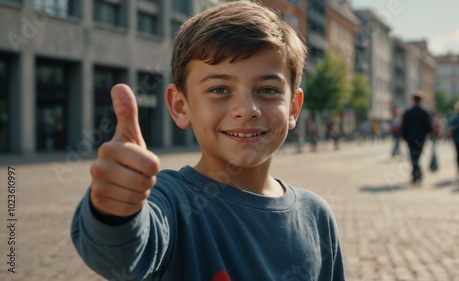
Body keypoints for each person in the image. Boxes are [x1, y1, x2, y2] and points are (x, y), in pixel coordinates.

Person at [70, 2, 345, 281]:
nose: (247, 108)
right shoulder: (171, 202)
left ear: (294, 108)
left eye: (267, 90)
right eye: (220, 89)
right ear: (180, 106)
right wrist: (115, 210)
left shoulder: (317, 216)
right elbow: (120, 255)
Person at [401, 91, 432, 183]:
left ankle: (416, 172)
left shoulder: (408, 112)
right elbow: (428, 127)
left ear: (413, 100)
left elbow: (404, 126)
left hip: (411, 138)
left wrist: (404, 137)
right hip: (421, 138)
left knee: (413, 156)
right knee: (417, 156)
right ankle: (417, 172)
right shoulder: (424, 112)